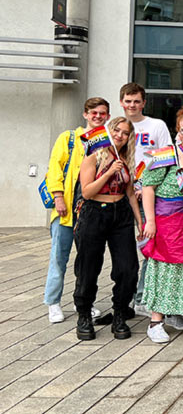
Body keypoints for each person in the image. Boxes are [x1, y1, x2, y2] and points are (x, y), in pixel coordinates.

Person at [72, 117, 143, 341]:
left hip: (120, 213)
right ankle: (84, 314)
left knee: (128, 269)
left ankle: (120, 313)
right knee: (88, 268)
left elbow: (131, 193)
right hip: (94, 213)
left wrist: (140, 221)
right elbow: (87, 192)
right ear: (108, 132)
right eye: (116, 131)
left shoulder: (125, 158)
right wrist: (109, 172)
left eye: (125, 132)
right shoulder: (93, 157)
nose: (120, 136)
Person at [44, 96, 109, 324]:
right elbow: (55, 168)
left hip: (90, 212)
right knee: (59, 257)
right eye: (94, 113)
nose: (98, 116)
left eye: (102, 113)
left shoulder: (106, 142)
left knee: (86, 261)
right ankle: (53, 303)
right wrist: (58, 197)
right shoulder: (69, 138)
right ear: (85, 114)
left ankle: (82, 302)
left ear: (107, 116)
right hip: (66, 210)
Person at [140, 108, 183, 343]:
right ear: (178, 131)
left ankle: (175, 312)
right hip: (168, 221)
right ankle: (155, 321)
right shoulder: (166, 153)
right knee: (165, 269)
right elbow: (148, 187)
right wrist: (151, 221)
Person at [119, 82, 172, 317]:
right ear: (122, 102)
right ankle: (124, 297)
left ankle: (141, 298)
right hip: (117, 197)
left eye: (136, 101)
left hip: (145, 197)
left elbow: (166, 158)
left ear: (144, 103)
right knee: (123, 252)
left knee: (149, 249)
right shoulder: (115, 128)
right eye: (128, 101)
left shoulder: (156, 126)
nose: (132, 105)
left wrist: (147, 186)